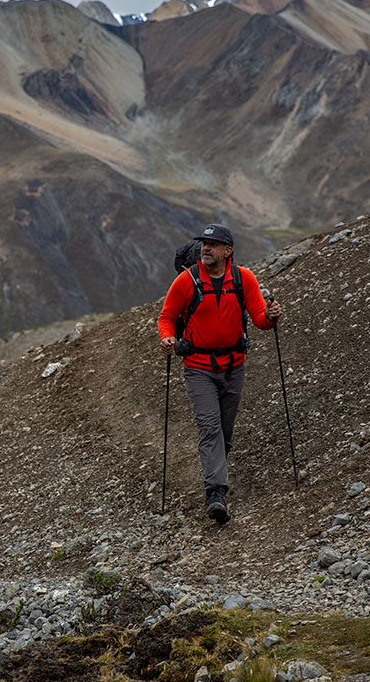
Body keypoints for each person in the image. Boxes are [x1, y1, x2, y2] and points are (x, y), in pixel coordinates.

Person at [157, 224, 283, 524]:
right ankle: (216, 492)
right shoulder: (187, 282)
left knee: (225, 431)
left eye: (213, 244)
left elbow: (260, 321)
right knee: (210, 427)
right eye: (204, 243)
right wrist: (167, 338)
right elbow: (167, 317)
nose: (206, 248)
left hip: (234, 366)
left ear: (228, 251)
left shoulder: (243, 279)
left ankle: (215, 471)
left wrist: (271, 316)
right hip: (198, 368)